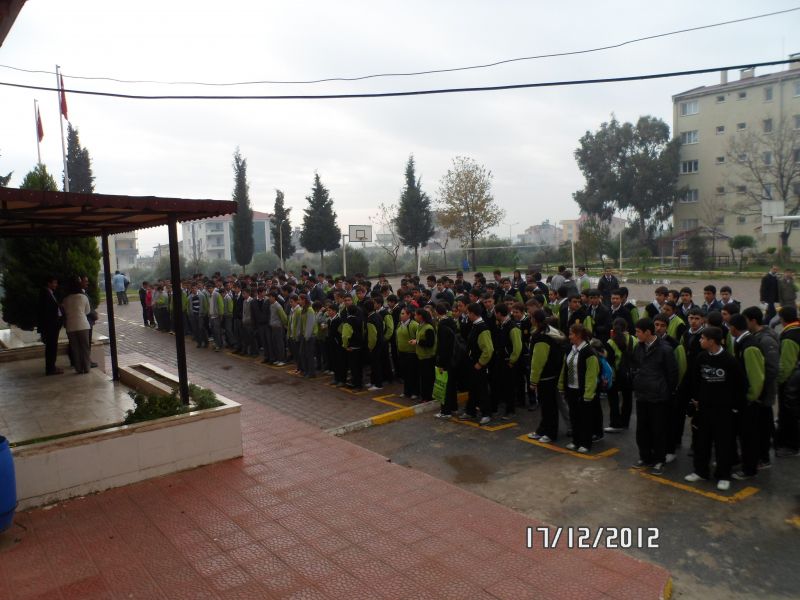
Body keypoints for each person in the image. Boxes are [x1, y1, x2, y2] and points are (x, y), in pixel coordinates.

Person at [684, 326, 745, 491]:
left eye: (703, 338)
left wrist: (734, 408)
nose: (700, 340)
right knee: (701, 442)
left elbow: (739, 386)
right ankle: (700, 471)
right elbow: (694, 380)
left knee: (723, 444)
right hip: (703, 409)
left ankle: (723, 475)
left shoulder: (729, 361)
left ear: (712, 341)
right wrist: (695, 399)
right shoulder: (701, 357)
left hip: (723, 411)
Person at [631, 318, 679, 475]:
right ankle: (645, 457)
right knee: (642, 429)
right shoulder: (638, 347)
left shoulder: (665, 350)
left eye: (638, 332)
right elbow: (635, 366)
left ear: (647, 332)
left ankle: (659, 460)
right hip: (642, 395)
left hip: (659, 397)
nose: (636, 334)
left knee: (659, 430)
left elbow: (672, 374)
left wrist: (665, 391)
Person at [558, 324, 599, 453]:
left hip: (583, 392)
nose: (569, 337)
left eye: (571, 334)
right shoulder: (571, 349)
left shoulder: (589, 352)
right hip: (571, 389)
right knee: (574, 416)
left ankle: (585, 443)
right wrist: (561, 385)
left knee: (585, 418)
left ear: (579, 335)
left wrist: (588, 394)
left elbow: (591, 375)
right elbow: (564, 368)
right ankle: (576, 441)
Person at [527, 310, 566, 442]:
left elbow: (538, 361)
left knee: (549, 406)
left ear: (534, 320)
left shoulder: (541, 337)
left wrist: (533, 381)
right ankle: (542, 430)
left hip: (546, 376)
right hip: (553, 374)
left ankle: (550, 433)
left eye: (530, 316)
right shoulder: (549, 331)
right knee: (548, 406)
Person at [459, 302, 494, 425]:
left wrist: (480, 363)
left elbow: (488, 349)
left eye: (468, 313)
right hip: (472, 364)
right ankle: (470, 411)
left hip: (478, 365)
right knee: (473, 388)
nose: (467, 315)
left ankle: (486, 413)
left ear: (473, 314)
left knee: (482, 389)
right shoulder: (475, 325)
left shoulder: (482, 328)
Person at [775, 306, 800, 457]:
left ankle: (791, 446)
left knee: (789, 413)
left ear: (782, 319)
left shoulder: (790, 336)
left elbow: (787, 364)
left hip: (792, 382)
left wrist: (780, 381)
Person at [605, 317, 635, 432]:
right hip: (629, 374)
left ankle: (615, 423)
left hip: (616, 375)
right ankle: (625, 422)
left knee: (613, 400)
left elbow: (609, 362)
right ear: (626, 327)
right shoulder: (634, 339)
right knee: (628, 399)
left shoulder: (611, 342)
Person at [434, 303, 460, 418]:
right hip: (454, 359)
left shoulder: (442, 326)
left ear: (437, 312)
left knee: (444, 386)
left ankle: (445, 411)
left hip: (446, 360)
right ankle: (453, 408)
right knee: (452, 385)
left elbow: (443, 347)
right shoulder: (452, 322)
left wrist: (440, 363)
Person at [62, 277, 92, 374]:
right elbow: (87, 311)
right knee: (85, 347)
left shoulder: (66, 299)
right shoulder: (83, 297)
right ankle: (86, 367)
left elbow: (64, 312)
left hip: (70, 326)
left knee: (75, 348)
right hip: (83, 325)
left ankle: (78, 368)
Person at [38, 276, 63, 375]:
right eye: (54, 283)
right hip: (50, 326)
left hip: (53, 325)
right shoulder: (45, 294)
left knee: (53, 347)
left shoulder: (50, 293)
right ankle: (50, 368)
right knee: (51, 347)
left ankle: (52, 366)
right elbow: (46, 311)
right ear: (48, 283)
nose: (56, 285)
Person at [410, 308, 436, 401]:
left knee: (427, 379)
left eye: (416, 315)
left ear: (421, 316)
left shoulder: (428, 327)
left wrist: (417, 342)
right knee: (423, 378)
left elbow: (430, 343)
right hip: (420, 356)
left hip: (428, 357)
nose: (414, 316)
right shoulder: (420, 326)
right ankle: (424, 396)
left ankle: (428, 397)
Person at [396, 307, 419, 399]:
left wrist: (415, 341)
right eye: (401, 313)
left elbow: (419, 337)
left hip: (411, 353)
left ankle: (415, 392)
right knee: (405, 373)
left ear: (409, 315)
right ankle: (406, 391)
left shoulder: (414, 325)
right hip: (402, 352)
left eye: (403, 313)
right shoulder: (399, 324)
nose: (401, 315)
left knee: (412, 373)